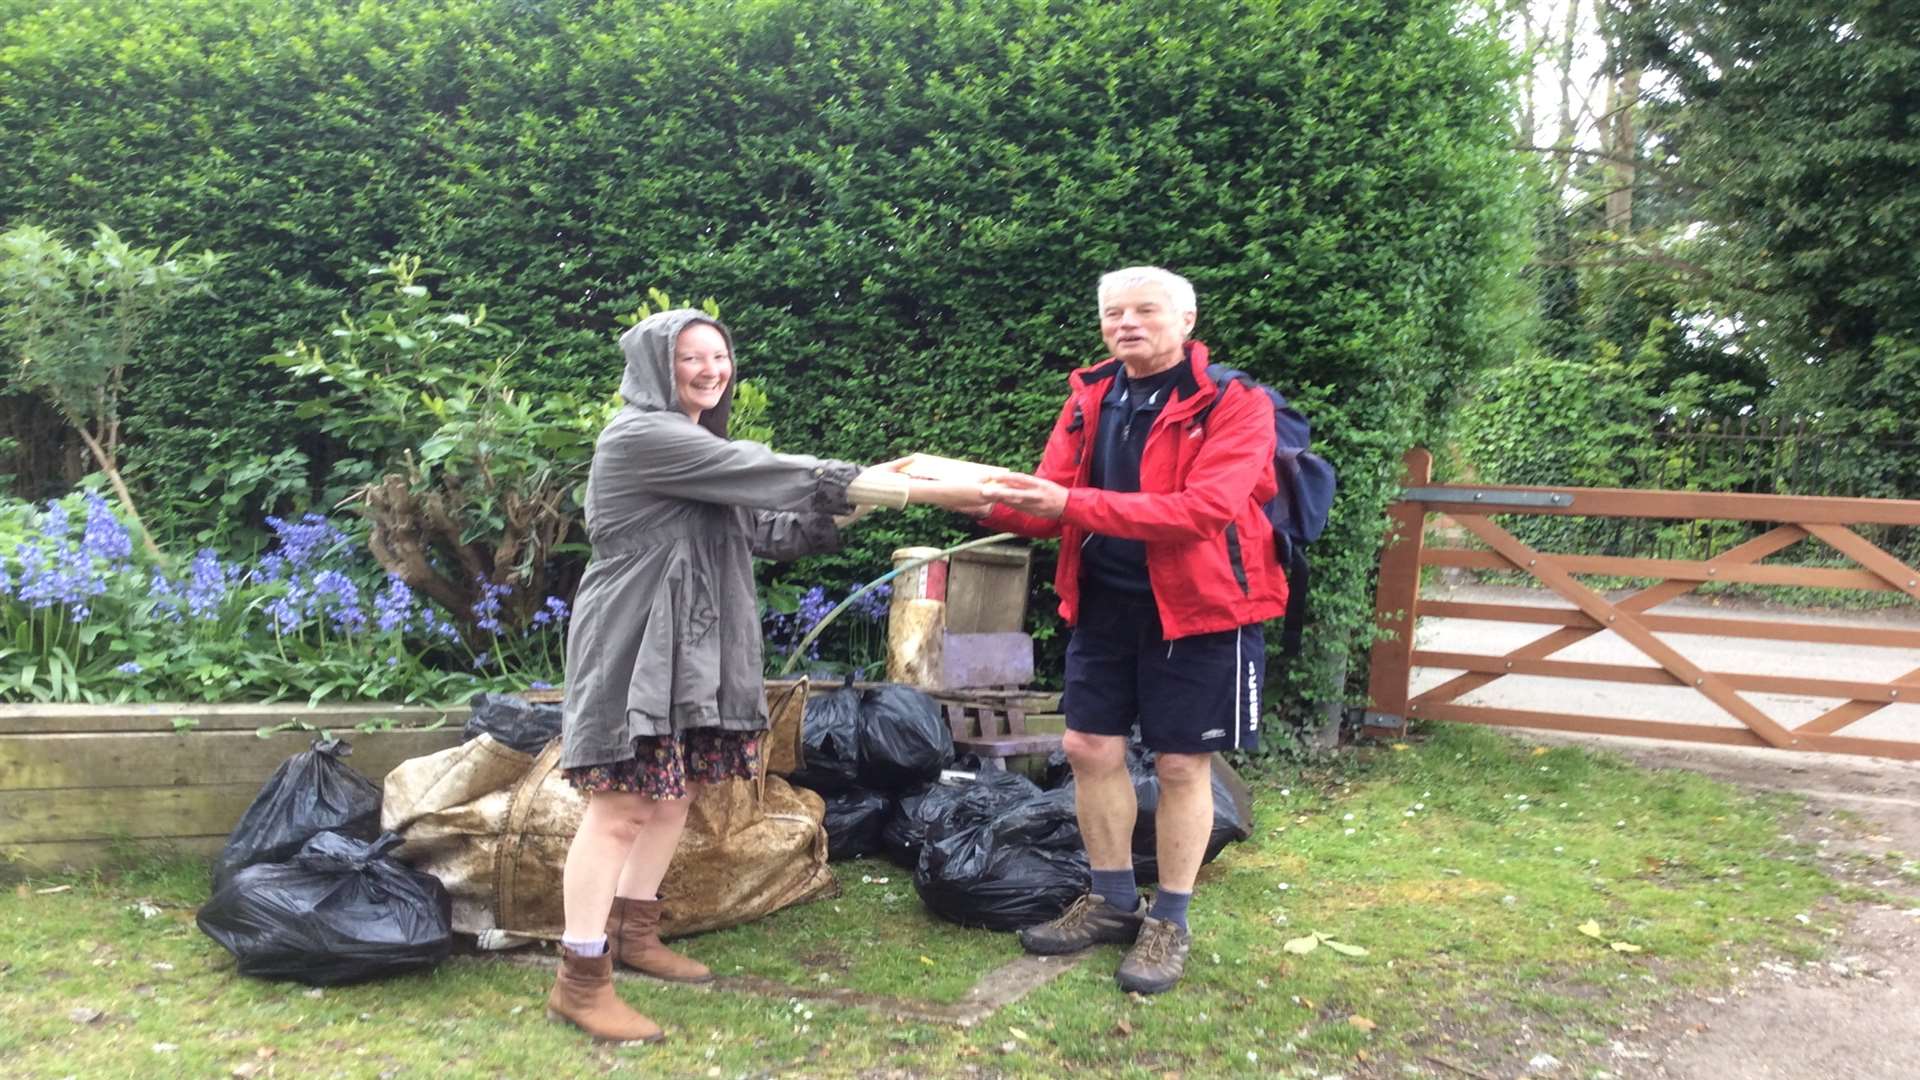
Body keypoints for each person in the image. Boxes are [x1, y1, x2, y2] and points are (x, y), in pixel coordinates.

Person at [546, 308, 980, 1043]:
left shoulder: (696, 452)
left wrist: (856, 504)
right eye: (691, 358)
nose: (711, 371)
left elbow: (771, 529)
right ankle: (580, 979)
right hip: (636, 641)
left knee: (674, 793)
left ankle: (636, 931)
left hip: (696, 647)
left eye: (720, 357)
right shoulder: (643, 436)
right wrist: (894, 485)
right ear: (656, 366)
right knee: (620, 806)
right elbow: (773, 473)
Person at [975, 266, 1286, 995]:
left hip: (1203, 608)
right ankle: (1113, 902)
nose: (1127, 324)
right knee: (1087, 747)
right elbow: (1045, 505)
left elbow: (1200, 511)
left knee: (1180, 767)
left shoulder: (1235, 404)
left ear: (1186, 320)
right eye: (1114, 313)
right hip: (1107, 603)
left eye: (1146, 310)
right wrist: (962, 492)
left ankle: (1169, 920)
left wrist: (1070, 503)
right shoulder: (1089, 399)